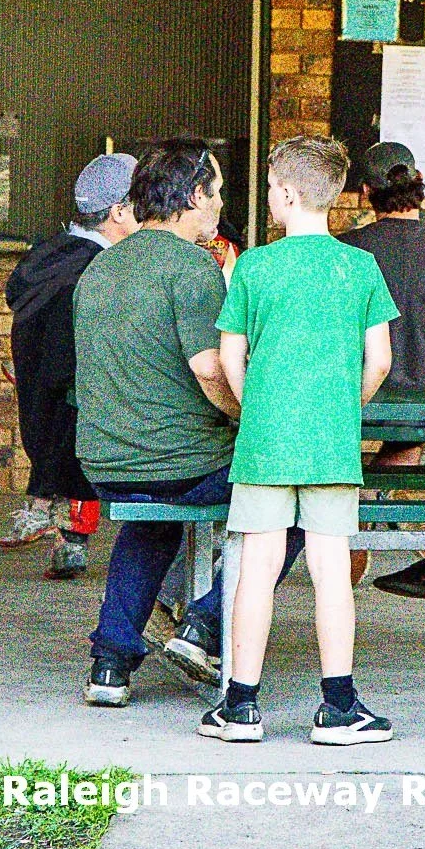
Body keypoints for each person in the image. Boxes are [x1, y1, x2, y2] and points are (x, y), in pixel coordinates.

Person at [203, 136, 399, 746]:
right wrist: (343, 408)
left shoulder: (254, 267)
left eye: (269, 188)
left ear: (286, 194)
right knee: (331, 571)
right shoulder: (359, 267)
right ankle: (339, 707)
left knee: (256, 570)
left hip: (265, 441)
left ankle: (240, 705)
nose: (268, 197)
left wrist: (255, 408)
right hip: (331, 441)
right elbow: (380, 360)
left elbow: (229, 356)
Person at [75, 139, 253, 705]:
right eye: (217, 191)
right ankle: (206, 624)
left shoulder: (99, 267)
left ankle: (110, 663)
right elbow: (209, 370)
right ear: (195, 195)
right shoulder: (193, 267)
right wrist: (252, 422)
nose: (221, 203)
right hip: (183, 466)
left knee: (151, 524)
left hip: (107, 466)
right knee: (295, 487)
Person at [338, 140, 425, 601]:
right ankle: (371, 500)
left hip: (355, 400)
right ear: (420, 187)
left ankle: (358, 504)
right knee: (408, 425)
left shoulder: (346, 252)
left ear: (365, 192)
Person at [0, 153, 140, 579]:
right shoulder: (102, 269)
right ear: (118, 212)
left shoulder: (47, 255)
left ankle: (52, 519)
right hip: (81, 397)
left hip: (41, 395)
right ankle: (68, 536)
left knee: (58, 442)